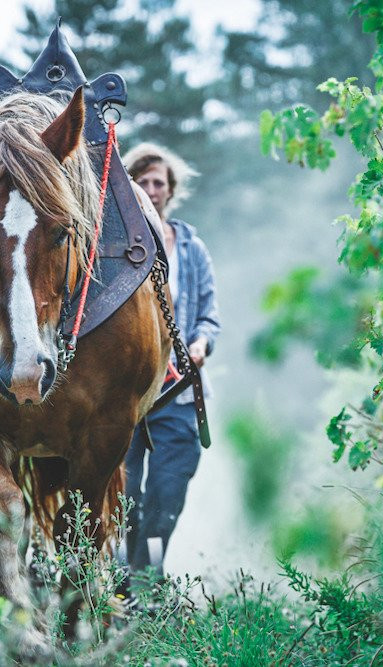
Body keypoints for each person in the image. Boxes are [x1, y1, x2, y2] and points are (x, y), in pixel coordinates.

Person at [122, 143, 221, 573]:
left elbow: (208, 316)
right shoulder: (117, 246)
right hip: (126, 392)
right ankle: (119, 580)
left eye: (157, 182)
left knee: (166, 492)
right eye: (140, 182)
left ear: (170, 190)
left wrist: (200, 345)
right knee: (124, 495)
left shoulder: (192, 248)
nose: (150, 189)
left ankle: (148, 578)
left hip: (179, 390)